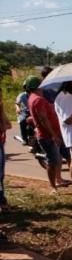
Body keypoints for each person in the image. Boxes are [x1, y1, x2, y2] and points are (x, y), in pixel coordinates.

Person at [25, 75, 72, 193]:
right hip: (48, 136)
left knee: (59, 159)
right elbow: (43, 119)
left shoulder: (33, 98)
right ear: (37, 86)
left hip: (51, 134)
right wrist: (53, 135)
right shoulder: (38, 99)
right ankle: (53, 187)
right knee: (53, 162)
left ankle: (58, 182)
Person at [1, 84, 11, 212]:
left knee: (1, 176)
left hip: (1, 143)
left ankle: (2, 201)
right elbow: (4, 126)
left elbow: (8, 125)